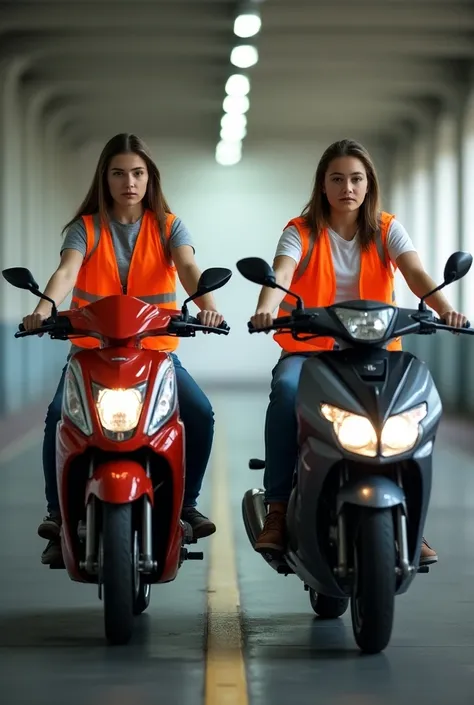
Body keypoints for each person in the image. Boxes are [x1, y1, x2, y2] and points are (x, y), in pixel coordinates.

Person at [250, 138, 468, 567]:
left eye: (356, 179)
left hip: (376, 352)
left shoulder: (387, 228)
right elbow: (281, 272)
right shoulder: (301, 230)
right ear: (323, 185)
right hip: (309, 351)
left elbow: (416, 272)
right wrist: (265, 309)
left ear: (368, 185)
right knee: (287, 392)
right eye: (337, 179)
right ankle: (277, 510)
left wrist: (448, 310)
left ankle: (413, 520)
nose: (347, 187)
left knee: (416, 408)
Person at [23, 133, 226, 566]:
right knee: (59, 415)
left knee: (200, 412)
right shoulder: (87, 227)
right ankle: (57, 514)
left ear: (149, 178)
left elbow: (189, 266)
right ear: (105, 178)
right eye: (119, 173)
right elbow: (66, 270)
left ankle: (186, 503)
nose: (128, 182)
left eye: (137, 173)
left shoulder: (169, 225)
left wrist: (209, 308)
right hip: (90, 354)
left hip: (154, 354)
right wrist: (43, 308)